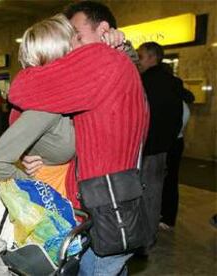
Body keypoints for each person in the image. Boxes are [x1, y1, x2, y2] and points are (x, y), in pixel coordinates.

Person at [8, 1, 149, 275]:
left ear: (104, 30)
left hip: (102, 210)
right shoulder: (114, 64)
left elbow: (21, 90)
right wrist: (34, 155)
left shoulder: (103, 59)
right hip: (112, 206)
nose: (70, 46)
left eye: (76, 36)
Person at [0, 14, 76, 197]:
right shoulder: (46, 106)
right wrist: (40, 191)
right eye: (76, 44)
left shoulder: (68, 98)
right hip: (54, 201)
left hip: (72, 190)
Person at [137, 42, 183, 252]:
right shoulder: (173, 82)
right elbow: (177, 117)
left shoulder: (144, 81)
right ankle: (150, 237)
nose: (138, 60)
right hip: (163, 147)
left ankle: (141, 240)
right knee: (155, 192)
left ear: (152, 57)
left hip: (145, 147)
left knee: (142, 193)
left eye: (141, 56)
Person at [160, 88, 194, 230]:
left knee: (167, 180)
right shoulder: (184, 105)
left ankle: (166, 216)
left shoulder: (175, 104)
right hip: (177, 142)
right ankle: (167, 216)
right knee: (171, 179)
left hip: (169, 143)